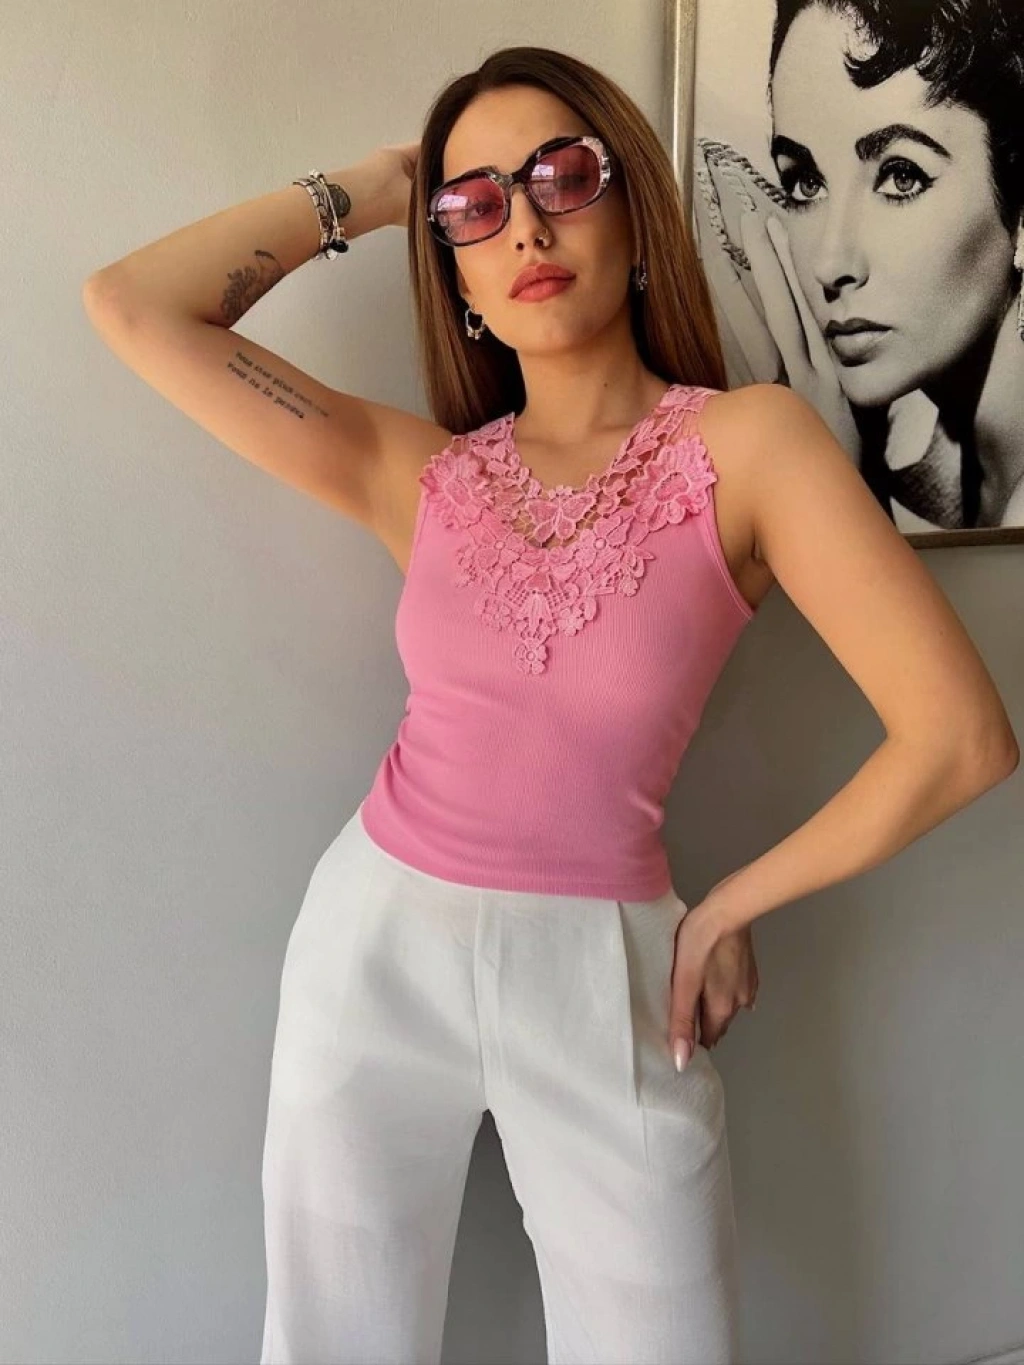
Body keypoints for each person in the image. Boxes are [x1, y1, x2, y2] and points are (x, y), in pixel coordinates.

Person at [82, 42, 1018, 1365]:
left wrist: (731, 906)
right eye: (475, 206)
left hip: (610, 975)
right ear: (454, 275)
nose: (522, 224)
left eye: (560, 177)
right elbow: (136, 308)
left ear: (633, 210)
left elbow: (961, 737)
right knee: (333, 1340)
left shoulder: (750, 445)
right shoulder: (418, 472)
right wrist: (385, 185)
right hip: (374, 946)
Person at [737, 0, 1024, 530]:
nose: (830, 264)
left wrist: (835, 492)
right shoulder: (944, 478)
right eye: (806, 183)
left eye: (900, 177)